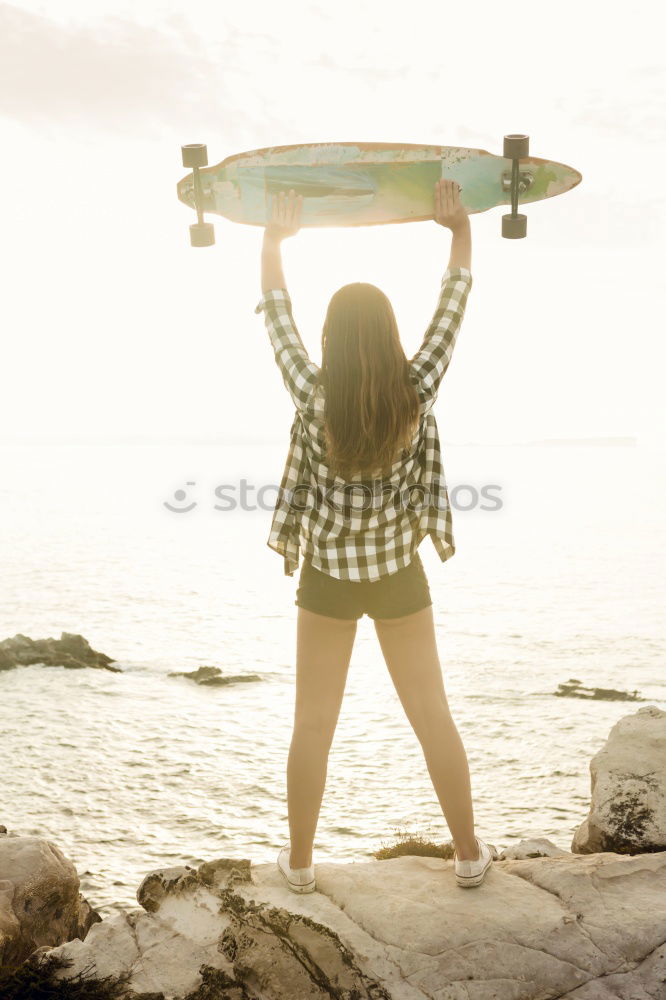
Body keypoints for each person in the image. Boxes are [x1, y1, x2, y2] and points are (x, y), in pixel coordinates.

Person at [254, 180, 492, 893]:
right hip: (399, 577)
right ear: (390, 339)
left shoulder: (312, 393)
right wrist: (458, 230)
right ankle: (469, 854)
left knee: (313, 724)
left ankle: (298, 865)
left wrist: (272, 241)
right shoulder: (415, 390)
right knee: (432, 716)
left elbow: (275, 317)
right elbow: (453, 307)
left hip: (326, 579)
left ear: (331, 338)